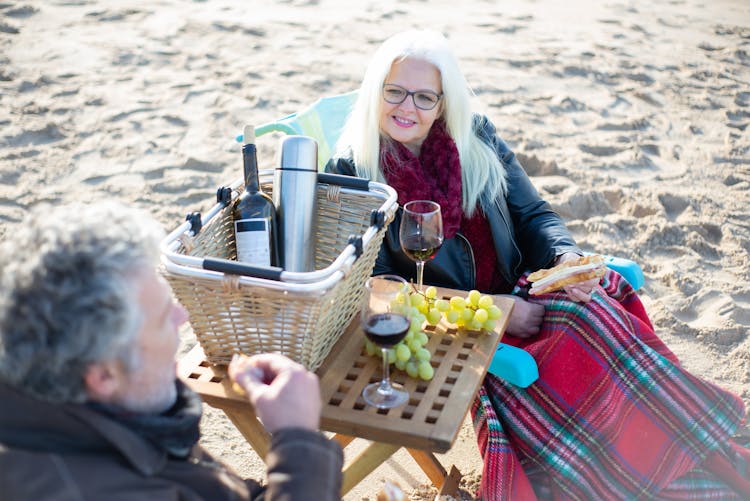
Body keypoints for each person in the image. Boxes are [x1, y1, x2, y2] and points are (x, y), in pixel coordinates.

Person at [326, 29, 750, 500]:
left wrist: (565, 258)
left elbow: (534, 215)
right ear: (375, 92)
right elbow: (380, 289)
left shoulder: (476, 138)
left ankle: (679, 451)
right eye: (395, 91)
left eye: (425, 96)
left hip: (527, 287)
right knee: (581, 335)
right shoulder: (352, 171)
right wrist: (497, 308)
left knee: (595, 304)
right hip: (462, 326)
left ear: (444, 103)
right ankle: (626, 475)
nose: (408, 107)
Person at [0, 201, 343, 501]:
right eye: (165, 317)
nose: (182, 317)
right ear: (104, 375)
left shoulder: (117, 411)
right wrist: (297, 438)